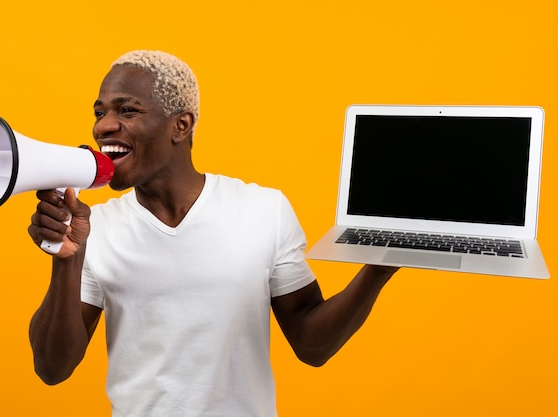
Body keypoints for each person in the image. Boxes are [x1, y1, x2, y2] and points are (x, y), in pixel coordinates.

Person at [28, 50, 399, 417]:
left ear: (181, 125)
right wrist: (68, 259)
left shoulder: (263, 210)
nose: (103, 126)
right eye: (99, 112)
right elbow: (52, 368)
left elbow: (311, 345)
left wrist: (377, 270)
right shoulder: (97, 227)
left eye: (127, 110)